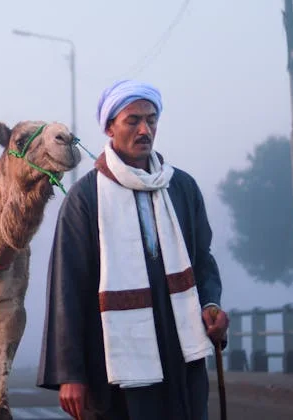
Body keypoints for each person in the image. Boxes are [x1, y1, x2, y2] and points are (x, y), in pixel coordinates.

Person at [36, 79, 229, 420]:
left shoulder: (181, 188)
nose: (145, 129)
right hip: (112, 361)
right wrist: (71, 373)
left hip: (179, 352)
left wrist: (211, 304)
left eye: (151, 120)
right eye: (133, 120)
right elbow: (68, 288)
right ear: (110, 128)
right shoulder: (85, 199)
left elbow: (203, 261)